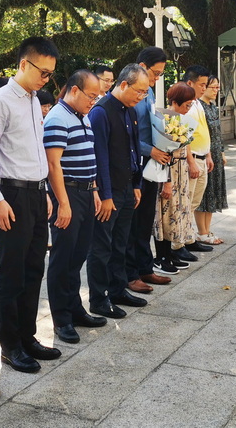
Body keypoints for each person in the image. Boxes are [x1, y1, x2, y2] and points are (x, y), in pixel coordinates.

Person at [0, 36, 61, 374]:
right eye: (43, 72)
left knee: (33, 269)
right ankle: (10, 345)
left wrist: (45, 191)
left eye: (51, 74)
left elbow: (34, 152)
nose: (46, 79)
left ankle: (27, 337)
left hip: (36, 194)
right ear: (24, 64)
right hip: (10, 196)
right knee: (11, 274)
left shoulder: (32, 100)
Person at [44, 70, 107, 344]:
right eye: (91, 96)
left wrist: (94, 190)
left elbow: (88, 156)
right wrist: (63, 203)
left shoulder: (82, 116)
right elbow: (52, 164)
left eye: (96, 96)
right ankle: (61, 319)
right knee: (63, 259)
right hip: (67, 193)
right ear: (74, 90)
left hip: (85, 192)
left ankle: (75, 309)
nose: (94, 101)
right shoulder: (57, 117)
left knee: (78, 255)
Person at [87, 64, 149, 319]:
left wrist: (136, 185)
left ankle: (117, 289)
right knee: (102, 246)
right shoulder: (101, 112)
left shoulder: (129, 110)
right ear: (123, 84)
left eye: (145, 92)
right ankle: (99, 298)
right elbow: (99, 157)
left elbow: (134, 150)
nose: (142, 97)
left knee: (120, 243)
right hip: (108, 191)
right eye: (139, 91)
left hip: (127, 187)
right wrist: (105, 195)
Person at [126, 47, 172, 292]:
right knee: (133, 222)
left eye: (161, 74)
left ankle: (145, 267)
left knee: (145, 220)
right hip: (136, 160)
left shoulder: (150, 92)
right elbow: (128, 134)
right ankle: (130, 273)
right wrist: (150, 150)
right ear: (142, 67)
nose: (157, 79)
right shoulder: (130, 93)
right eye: (156, 73)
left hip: (151, 161)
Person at [154, 82, 198, 273]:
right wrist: (166, 181)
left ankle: (171, 252)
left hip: (180, 171)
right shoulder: (163, 120)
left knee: (178, 211)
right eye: (187, 105)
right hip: (168, 172)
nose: (188, 109)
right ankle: (161, 257)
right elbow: (163, 152)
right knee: (166, 213)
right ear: (175, 102)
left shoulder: (181, 120)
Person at [183, 65, 215, 259]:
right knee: (186, 202)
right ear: (190, 83)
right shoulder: (186, 106)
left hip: (203, 158)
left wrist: (208, 154)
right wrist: (191, 162)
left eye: (205, 84)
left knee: (194, 202)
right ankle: (183, 241)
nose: (204, 88)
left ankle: (190, 238)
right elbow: (184, 137)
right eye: (201, 84)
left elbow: (203, 131)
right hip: (193, 159)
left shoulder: (197, 104)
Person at [196, 75, 228, 244]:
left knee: (213, 192)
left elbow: (217, 133)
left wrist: (221, 152)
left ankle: (207, 230)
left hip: (215, 153)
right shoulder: (198, 106)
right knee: (204, 193)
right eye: (213, 87)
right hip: (204, 153)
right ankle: (201, 231)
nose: (216, 91)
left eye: (217, 88)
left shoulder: (213, 107)